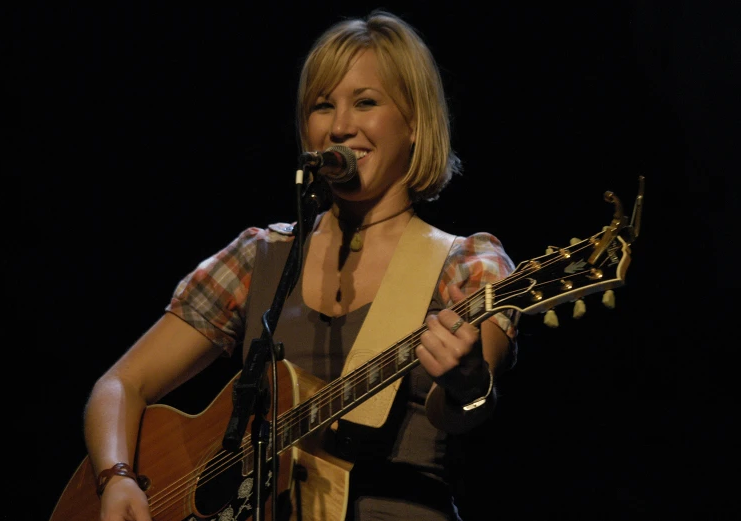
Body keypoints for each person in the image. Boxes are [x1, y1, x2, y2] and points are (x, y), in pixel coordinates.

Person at [82, 10, 518, 521]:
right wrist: (117, 478)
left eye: (366, 103)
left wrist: (467, 383)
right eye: (321, 106)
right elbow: (119, 386)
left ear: (417, 124)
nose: (339, 126)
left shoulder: (466, 262)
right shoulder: (259, 255)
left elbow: (468, 409)